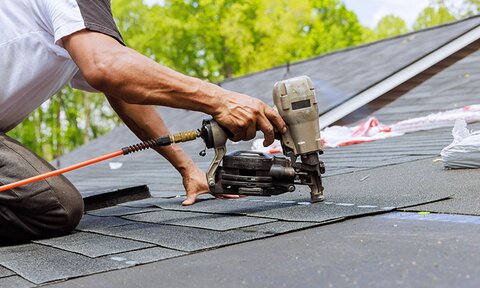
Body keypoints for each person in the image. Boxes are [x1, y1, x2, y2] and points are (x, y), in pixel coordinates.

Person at [0, 0, 286, 242]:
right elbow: (106, 66)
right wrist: (220, 100)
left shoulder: (79, 21)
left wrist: (188, 169)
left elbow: (121, 90)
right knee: (55, 207)